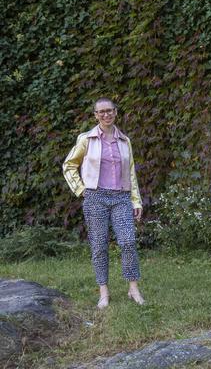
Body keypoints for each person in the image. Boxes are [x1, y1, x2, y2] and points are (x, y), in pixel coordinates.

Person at [63, 97, 145, 309]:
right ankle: (104, 292)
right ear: (95, 115)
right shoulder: (86, 139)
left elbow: (131, 172)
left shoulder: (124, 141)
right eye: (101, 112)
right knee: (99, 246)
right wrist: (81, 190)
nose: (106, 115)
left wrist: (136, 200)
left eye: (110, 111)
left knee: (127, 242)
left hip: (121, 198)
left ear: (116, 112)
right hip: (95, 197)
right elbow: (69, 165)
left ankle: (133, 288)